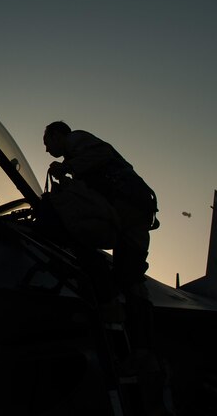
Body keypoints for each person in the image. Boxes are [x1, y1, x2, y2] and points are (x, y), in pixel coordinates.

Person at [41, 121, 158, 356]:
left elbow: (101, 155)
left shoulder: (76, 139)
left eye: (48, 142)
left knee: (126, 275)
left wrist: (67, 168)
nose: (46, 150)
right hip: (134, 213)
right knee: (129, 278)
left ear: (57, 134)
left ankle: (137, 343)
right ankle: (140, 345)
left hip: (128, 209)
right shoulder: (80, 160)